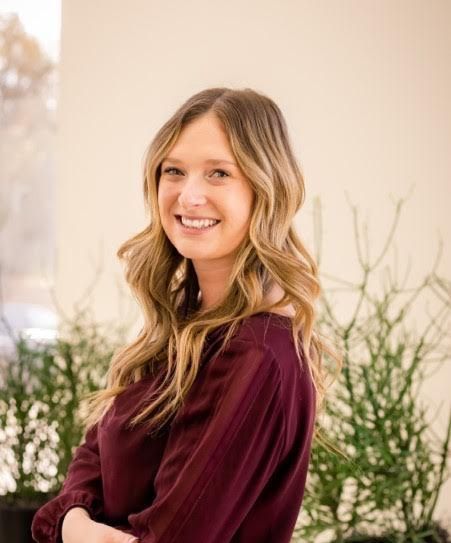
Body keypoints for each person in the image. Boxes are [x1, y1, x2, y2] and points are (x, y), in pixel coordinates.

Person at [31, 87, 341, 543]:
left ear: (266, 188)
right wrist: (78, 525)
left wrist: (73, 527)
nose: (188, 195)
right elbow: (92, 457)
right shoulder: (181, 330)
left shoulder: (258, 356)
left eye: (218, 173)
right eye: (173, 171)